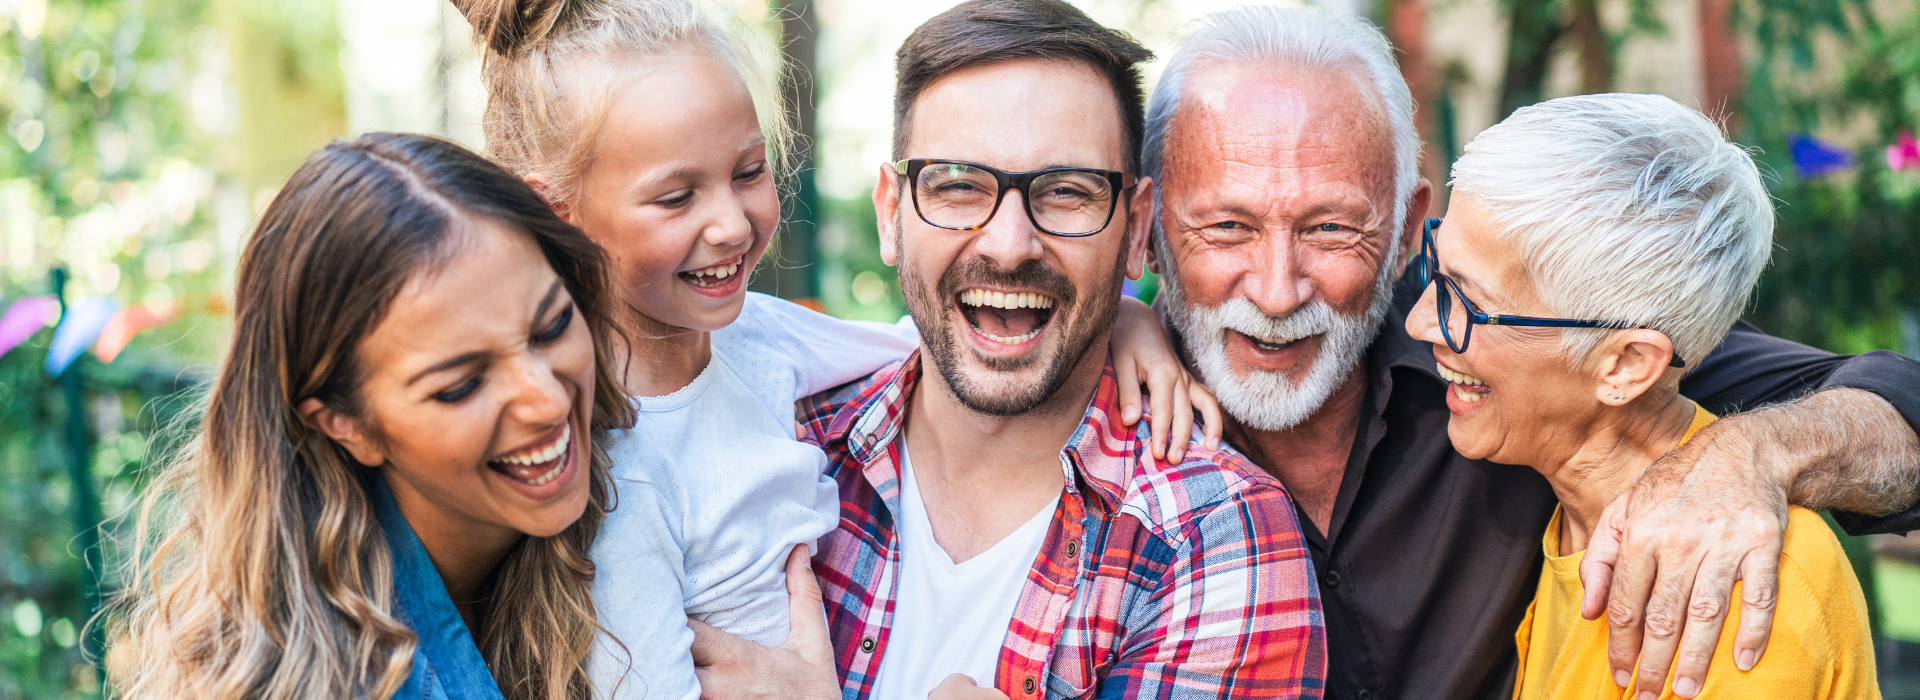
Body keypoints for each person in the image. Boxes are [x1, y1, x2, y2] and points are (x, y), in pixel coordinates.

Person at [1141, 7, 1920, 700]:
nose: (1278, 291)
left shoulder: (1559, 346)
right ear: (1148, 224)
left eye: (1329, 229)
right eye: (1225, 227)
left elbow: (1893, 402)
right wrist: (1119, 323)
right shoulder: (1093, 406)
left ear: (1408, 226)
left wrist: (1750, 450)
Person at [450, 1, 1222, 698]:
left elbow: (927, 343)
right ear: (559, 214)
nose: (729, 225)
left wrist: (1123, 316)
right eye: (677, 197)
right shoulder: (612, 467)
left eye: (749, 173)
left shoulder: (754, 341)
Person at [688, 2, 1324, 699]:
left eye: (1065, 192)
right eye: (959, 185)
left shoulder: (1214, 539)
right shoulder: (774, 440)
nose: (1009, 244)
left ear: (1137, 230)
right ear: (891, 214)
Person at [108, 133, 634, 700]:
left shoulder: (640, 476)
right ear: (345, 423)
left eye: (552, 326)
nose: (549, 401)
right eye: (461, 385)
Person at [1410, 92, 1877, 699]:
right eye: (1436, 270)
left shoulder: (1736, 590)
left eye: (1465, 302)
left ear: (1626, 365)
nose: (1420, 322)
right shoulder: (1567, 519)